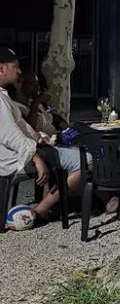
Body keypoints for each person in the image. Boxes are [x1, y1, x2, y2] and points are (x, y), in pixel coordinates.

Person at [0, 48, 84, 225]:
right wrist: (36, 157)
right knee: (86, 160)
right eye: (15, 66)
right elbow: (10, 135)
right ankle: (39, 211)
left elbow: (22, 129)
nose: (19, 71)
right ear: (1, 68)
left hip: (37, 145)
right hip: (20, 156)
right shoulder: (4, 100)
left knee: (80, 139)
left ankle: (88, 198)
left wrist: (40, 136)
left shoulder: (5, 97)